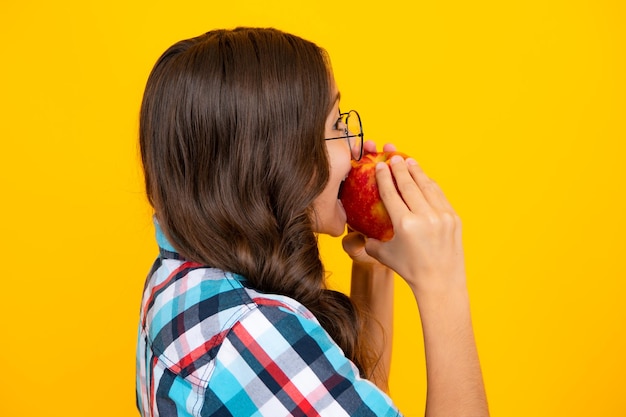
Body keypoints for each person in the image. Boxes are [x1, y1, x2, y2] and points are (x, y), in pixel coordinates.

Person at [136, 27, 488, 417]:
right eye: (337, 127)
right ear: (278, 158)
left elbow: (348, 398)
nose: (356, 148)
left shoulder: (180, 283)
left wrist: (372, 268)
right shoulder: (251, 334)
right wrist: (444, 284)